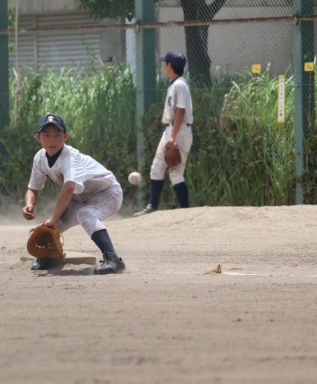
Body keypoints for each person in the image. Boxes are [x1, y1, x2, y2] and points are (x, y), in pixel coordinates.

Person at [22, 113, 126, 273]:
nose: (52, 140)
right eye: (47, 135)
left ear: (65, 136)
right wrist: (29, 204)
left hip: (108, 192)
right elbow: (33, 188)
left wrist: (54, 219)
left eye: (57, 135)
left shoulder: (70, 157)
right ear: (38, 138)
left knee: (85, 214)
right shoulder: (40, 158)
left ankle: (113, 259)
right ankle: (49, 255)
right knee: (53, 225)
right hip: (80, 197)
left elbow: (69, 187)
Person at [134, 51, 193, 216]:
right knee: (165, 170)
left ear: (170, 66)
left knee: (169, 170)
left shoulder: (180, 85)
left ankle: (159, 207)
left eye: (165, 63)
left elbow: (181, 111)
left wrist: (172, 137)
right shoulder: (176, 84)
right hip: (175, 129)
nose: (163, 66)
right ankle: (166, 208)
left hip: (178, 130)